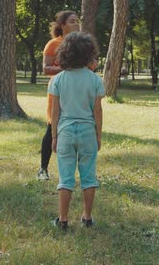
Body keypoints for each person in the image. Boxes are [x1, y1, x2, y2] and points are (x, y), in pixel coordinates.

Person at [49, 32, 104, 230]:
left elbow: (55, 113)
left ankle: (63, 220)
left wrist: (54, 137)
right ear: (89, 53)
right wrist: (98, 135)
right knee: (89, 176)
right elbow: (97, 111)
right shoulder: (95, 80)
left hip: (65, 131)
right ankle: (87, 218)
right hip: (88, 131)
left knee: (66, 177)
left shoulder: (58, 80)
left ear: (65, 53)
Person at [38, 11, 97, 180]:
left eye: (77, 21)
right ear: (62, 25)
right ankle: (43, 169)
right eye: (72, 21)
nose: (77, 24)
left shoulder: (81, 44)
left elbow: (93, 64)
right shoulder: (52, 44)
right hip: (58, 91)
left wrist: (89, 64)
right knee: (52, 127)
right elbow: (46, 69)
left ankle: (81, 170)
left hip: (78, 91)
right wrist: (69, 68)